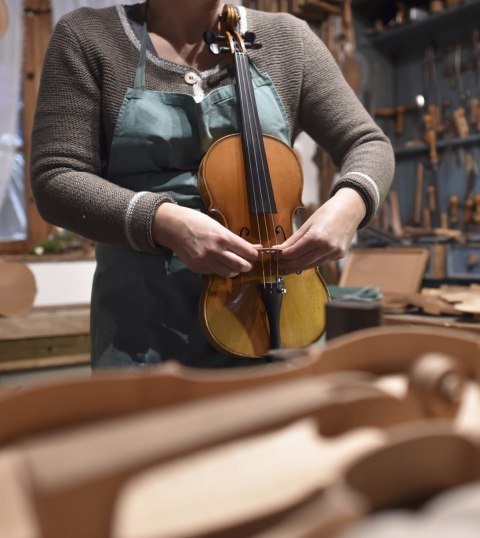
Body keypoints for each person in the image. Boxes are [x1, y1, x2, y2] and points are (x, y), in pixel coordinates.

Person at [31, 1, 395, 369]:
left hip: (275, 315)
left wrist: (350, 205)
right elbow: (56, 177)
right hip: (143, 331)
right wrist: (164, 222)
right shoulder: (87, 36)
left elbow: (367, 143)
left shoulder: (288, 39)